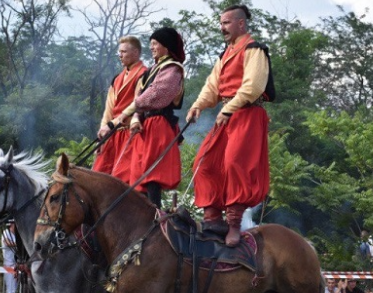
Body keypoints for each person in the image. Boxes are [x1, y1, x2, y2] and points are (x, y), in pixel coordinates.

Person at [186, 4, 273, 247]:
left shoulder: (254, 49)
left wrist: (228, 109)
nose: (222, 27)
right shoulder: (225, 53)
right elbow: (212, 86)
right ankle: (213, 218)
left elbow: (253, 86)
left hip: (246, 113)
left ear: (241, 24)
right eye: (221, 23)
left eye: (226, 22)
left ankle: (234, 223)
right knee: (203, 162)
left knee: (236, 164)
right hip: (227, 114)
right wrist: (198, 105)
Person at [117, 27, 185, 208]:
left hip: (159, 124)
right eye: (151, 44)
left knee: (152, 172)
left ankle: (155, 214)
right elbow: (140, 96)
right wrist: (136, 118)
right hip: (146, 125)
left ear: (167, 46)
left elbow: (155, 95)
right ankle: (140, 215)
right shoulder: (152, 70)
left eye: (155, 44)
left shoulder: (172, 69)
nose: (152, 47)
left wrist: (128, 112)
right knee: (139, 172)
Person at [93, 36, 148, 184]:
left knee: (122, 180)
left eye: (124, 52)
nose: (120, 55)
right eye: (119, 52)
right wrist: (103, 132)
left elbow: (138, 103)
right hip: (112, 134)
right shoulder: (117, 78)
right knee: (99, 178)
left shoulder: (144, 74)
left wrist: (111, 125)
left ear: (136, 53)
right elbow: (109, 109)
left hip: (130, 132)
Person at [2, 219, 18, 293]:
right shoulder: (6, 232)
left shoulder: (18, 234)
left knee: (14, 289)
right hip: (9, 265)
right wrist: (21, 244)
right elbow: (8, 243)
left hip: (16, 265)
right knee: (10, 290)